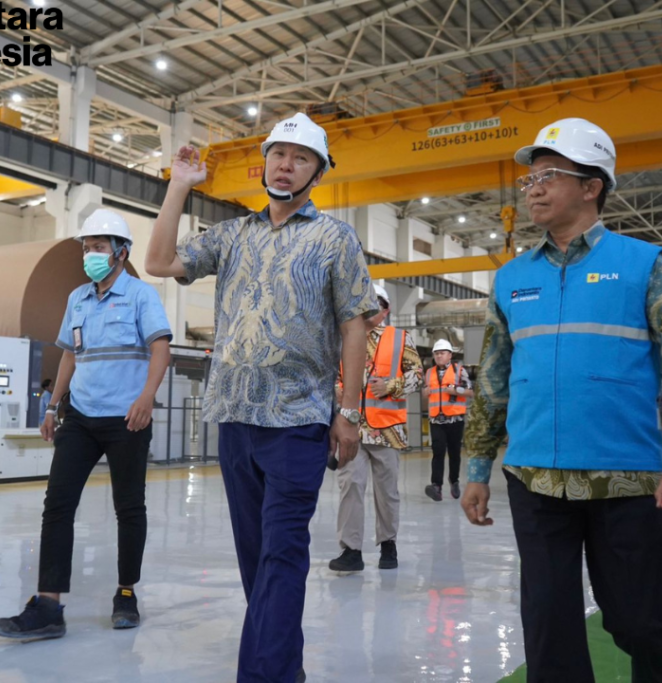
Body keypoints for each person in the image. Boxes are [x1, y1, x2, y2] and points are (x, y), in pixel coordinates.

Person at [461, 118, 662, 683]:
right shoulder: (511, 278)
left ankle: (652, 667)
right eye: (529, 180)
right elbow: (493, 378)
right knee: (548, 624)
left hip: (623, 476)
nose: (533, 189)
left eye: (548, 176)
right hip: (534, 476)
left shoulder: (645, 265)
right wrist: (476, 468)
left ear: (592, 186)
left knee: (638, 619)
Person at [144, 112, 376, 683]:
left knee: (281, 552)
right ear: (265, 163)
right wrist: (179, 185)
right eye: (278, 154)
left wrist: (349, 412)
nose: (285, 165)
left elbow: (354, 325)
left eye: (300, 158)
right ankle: (284, 668)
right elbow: (159, 262)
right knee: (256, 556)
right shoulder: (232, 235)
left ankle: (263, 675)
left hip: (297, 419)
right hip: (234, 416)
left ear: (317, 172)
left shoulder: (335, 239)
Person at [0, 208, 172, 641]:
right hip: (81, 417)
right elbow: (70, 355)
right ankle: (48, 606)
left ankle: (125, 592)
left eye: (99, 247)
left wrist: (147, 397)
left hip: (127, 418)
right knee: (57, 505)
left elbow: (160, 348)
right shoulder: (78, 298)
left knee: (129, 507)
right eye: (87, 247)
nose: (90, 254)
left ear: (121, 252)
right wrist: (52, 407)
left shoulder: (141, 296)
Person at [330, 283, 423, 573]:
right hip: (352, 429)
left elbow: (418, 376)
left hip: (388, 429)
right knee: (350, 486)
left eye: (376, 304)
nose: (369, 309)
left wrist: (391, 385)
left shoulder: (400, 338)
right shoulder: (343, 340)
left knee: (387, 492)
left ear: (386, 310)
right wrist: (338, 390)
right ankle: (351, 550)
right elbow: (333, 376)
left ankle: (388, 545)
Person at [423, 339, 473, 502]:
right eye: (436, 353)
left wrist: (456, 390)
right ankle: (436, 486)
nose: (439, 356)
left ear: (450, 355)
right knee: (437, 452)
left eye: (442, 353)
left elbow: (470, 392)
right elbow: (426, 391)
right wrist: (425, 392)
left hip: (455, 419)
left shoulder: (459, 371)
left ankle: (454, 480)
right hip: (436, 419)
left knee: (454, 452)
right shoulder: (429, 373)